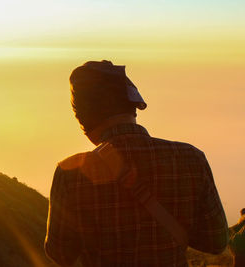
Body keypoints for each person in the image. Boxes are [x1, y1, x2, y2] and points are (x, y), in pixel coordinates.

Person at [44, 60, 229, 266]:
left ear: (83, 118)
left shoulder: (70, 174)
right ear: (133, 106)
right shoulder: (191, 159)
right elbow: (216, 241)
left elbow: (60, 253)